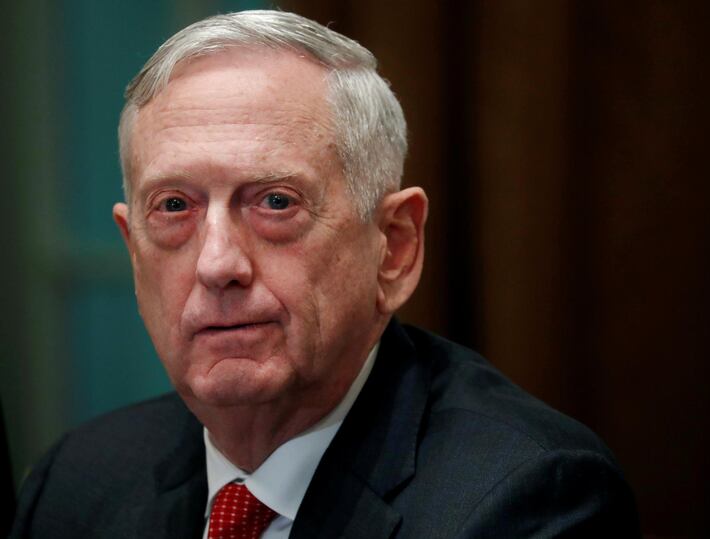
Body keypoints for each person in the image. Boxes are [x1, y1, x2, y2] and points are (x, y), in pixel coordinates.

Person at [11, 10, 639, 538]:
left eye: (275, 203)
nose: (217, 264)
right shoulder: (76, 481)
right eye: (175, 207)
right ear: (133, 247)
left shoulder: (526, 500)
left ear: (393, 248)